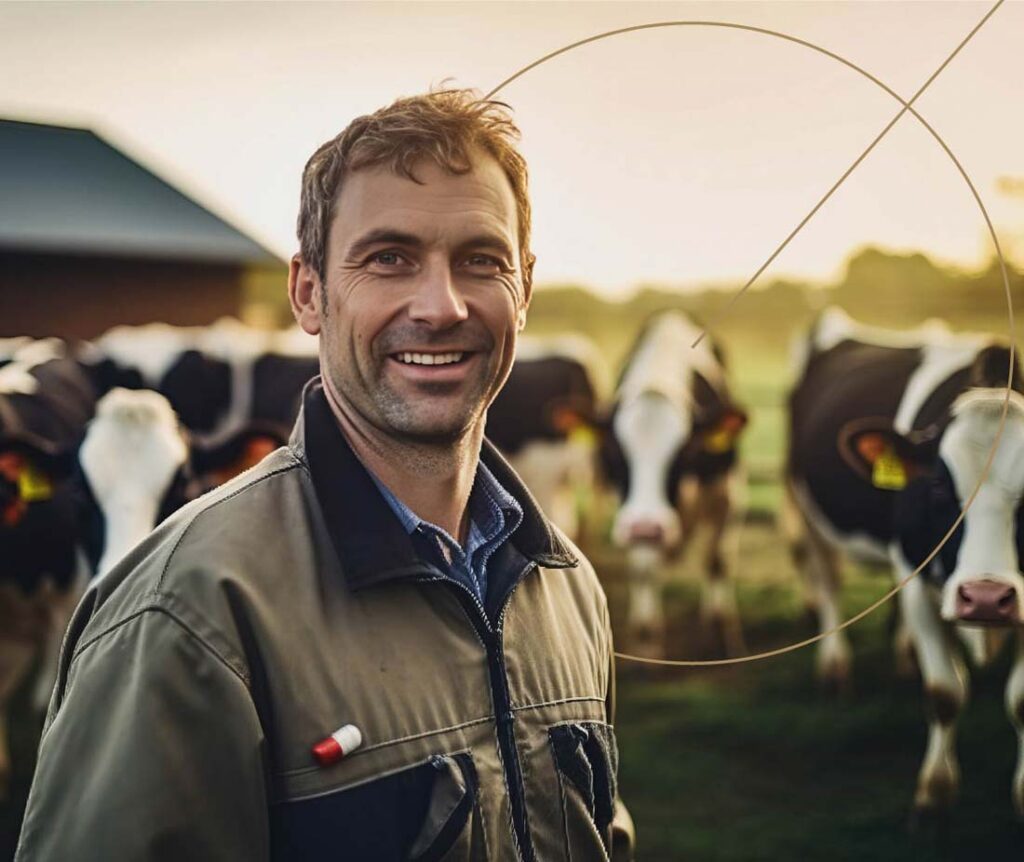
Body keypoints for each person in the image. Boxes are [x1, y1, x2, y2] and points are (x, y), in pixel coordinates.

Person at [16, 89, 634, 861]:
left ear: (525, 290)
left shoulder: (566, 585)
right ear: (309, 293)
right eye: (389, 259)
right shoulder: (185, 613)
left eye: (481, 260)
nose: (441, 306)